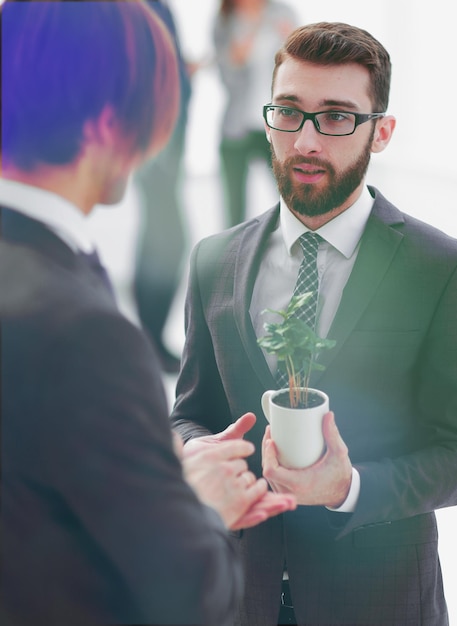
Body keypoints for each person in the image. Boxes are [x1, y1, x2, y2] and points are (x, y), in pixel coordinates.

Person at [170, 21, 457, 626]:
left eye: (338, 117)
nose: (306, 142)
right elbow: (191, 410)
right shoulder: (214, 259)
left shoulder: (446, 270)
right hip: (237, 598)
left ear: (381, 133)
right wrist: (196, 452)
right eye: (289, 113)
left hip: (378, 604)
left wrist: (349, 485)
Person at [0, 2, 295, 625]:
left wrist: (150, 468)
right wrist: (198, 505)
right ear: (111, 125)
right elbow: (190, 592)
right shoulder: (87, 335)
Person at [132, 0, 192, 373]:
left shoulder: (158, 6)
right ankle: (148, 343)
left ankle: (150, 342)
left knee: (161, 241)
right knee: (167, 241)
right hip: (154, 143)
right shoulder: (140, 7)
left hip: (165, 141)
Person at [213, 0, 297, 226]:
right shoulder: (224, 21)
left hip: (279, 126)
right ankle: (235, 259)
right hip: (237, 128)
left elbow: (304, 66)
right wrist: (237, 56)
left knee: (294, 202)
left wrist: (292, 43)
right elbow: (226, 78)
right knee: (234, 214)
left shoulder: (283, 13)